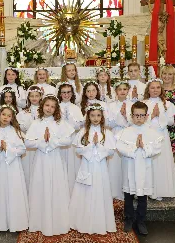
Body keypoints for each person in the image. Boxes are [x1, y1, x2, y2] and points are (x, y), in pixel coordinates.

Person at [26, 95, 75, 236]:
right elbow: (28, 142)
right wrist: (42, 141)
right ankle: (39, 221)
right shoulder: (36, 123)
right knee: (41, 185)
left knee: (56, 185)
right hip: (41, 159)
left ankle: (57, 220)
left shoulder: (60, 123)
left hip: (55, 159)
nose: (49, 108)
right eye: (47, 105)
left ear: (56, 109)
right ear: (42, 106)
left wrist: (53, 141)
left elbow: (68, 140)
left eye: (53, 106)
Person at [116, 101, 163, 235]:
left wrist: (144, 147)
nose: (139, 118)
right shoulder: (126, 131)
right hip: (130, 167)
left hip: (145, 168)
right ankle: (129, 219)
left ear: (146, 116)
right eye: (136, 115)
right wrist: (134, 147)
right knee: (129, 195)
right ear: (131, 116)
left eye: (142, 115)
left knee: (143, 196)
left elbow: (156, 149)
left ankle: (141, 221)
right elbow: (120, 147)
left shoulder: (151, 132)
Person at [69, 103, 117, 235]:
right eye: (92, 115)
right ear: (88, 116)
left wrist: (99, 147)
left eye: (98, 115)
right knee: (85, 190)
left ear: (102, 117)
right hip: (86, 165)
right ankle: (83, 222)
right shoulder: (83, 132)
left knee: (99, 190)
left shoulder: (107, 132)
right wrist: (91, 146)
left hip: (100, 167)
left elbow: (111, 152)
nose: (95, 118)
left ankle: (99, 222)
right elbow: (78, 150)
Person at [0, 105, 28, 232]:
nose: (6, 117)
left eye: (9, 115)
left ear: (12, 118)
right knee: (0, 189)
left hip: (14, 167)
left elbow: (22, 149)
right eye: (4, 114)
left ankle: (16, 221)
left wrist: (9, 149)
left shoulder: (16, 132)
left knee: (14, 189)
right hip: (0, 167)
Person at [143, 79, 175, 200]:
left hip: (162, 135)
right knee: (150, 163)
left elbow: (171, 122)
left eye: (158, 87)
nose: (155, 90)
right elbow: (138, 121)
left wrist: (160, 115)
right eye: (152, 88)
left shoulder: (167, 104)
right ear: (148, 89)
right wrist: (152, 116)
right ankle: (149, 190)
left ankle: (163, 189)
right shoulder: (143, 103)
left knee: (162, 162)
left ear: (161, 89)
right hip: (148, 136)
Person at [106, 81, 134, 201]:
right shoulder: (110, 105)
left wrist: (126, 116)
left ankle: (129, 191)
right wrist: (120, 116)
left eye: (125, 89)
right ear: (116, 91)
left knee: (128, 163)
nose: (122, 91)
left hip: (128, 135)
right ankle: (115, 191)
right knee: (115, 163)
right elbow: (108, 122)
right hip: (115, 134)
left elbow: (136, 121)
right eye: (120, 89)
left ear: (128, 91)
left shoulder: (133, 104)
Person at [57, 82, 84, 192]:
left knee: (72, 164)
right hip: (60, 139)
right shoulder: (56, 106)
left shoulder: (76, 108)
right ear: (60, 94)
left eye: (68, 92)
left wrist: (71, 122)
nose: (66, 95)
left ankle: (72, 188)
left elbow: (80, 125)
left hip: (72, 138)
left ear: (72, 94)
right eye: (64, 92)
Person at [16, 86, 44, 192]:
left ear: (41, 97)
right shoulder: (23, 113)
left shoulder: (44, 112)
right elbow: (18, 129)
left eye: (37, 96)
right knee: (28, 168)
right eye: (32, 96)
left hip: (40, 144)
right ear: (28, 97)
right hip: (28, 144)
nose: (34, 98)